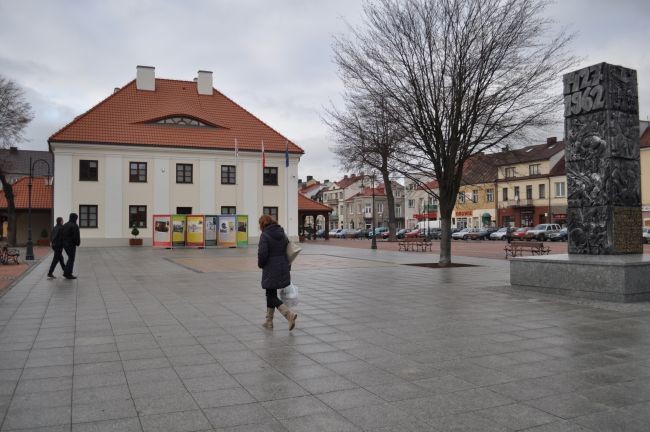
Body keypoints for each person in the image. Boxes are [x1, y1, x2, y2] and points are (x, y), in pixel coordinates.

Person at [257, 214, 297, 331]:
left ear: (262, 224)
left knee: (271, 295)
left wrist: (260, 264)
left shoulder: (265, 235)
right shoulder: (282, 233)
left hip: (271, 268)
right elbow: (288, 249)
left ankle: (289, 315)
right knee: (270, 293)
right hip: (283, 266)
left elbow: (262, 254)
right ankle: (269, 321)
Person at [62, 213, 80, 280]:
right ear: (75, 218)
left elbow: (62, 234)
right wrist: (77, 243)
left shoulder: (65, 225)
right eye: (76, 218)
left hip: (65, 244)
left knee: (70, 258)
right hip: (71, 245)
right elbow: (76, 236)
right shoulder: (75, 225)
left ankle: (66, 273)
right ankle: (68, 274)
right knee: (71, 259)